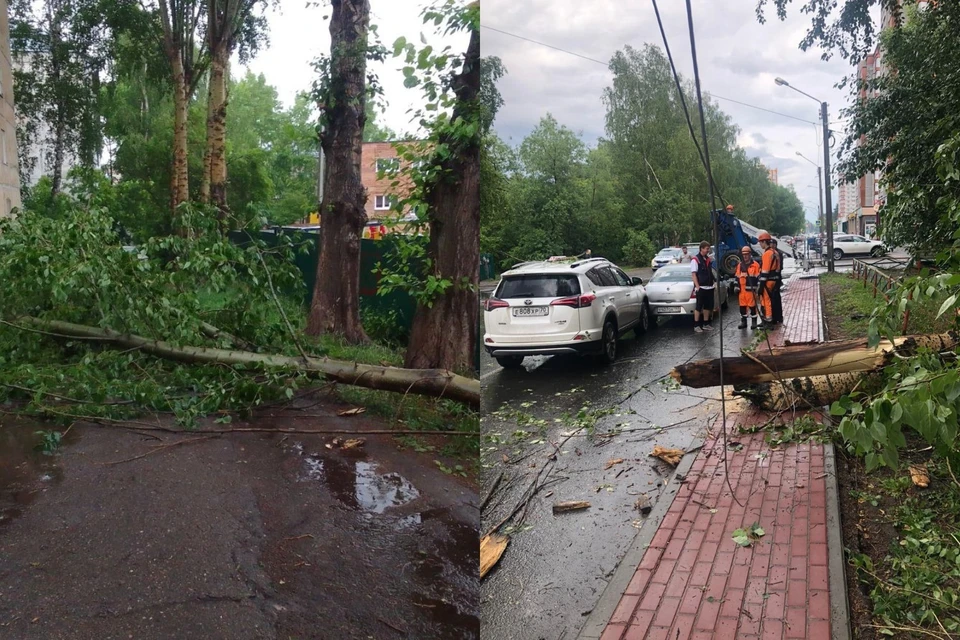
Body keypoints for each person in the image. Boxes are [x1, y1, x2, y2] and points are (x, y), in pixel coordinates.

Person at [691, 241, 716, 333]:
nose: (708, 250)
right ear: (701, 248)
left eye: (708, 248)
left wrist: (714, 282)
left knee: (707, 306)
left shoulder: (708, 259)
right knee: (699, 307)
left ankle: (706, 324)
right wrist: (698, 287)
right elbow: (693, 274)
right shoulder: (695, 260)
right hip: (701, 287)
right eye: (706, 248)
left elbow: (710, 272)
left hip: (709, 287)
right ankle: (696, 325)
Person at [757, 232, 781, 327]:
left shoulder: (767, 254)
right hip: (774, 279)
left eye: (760, 242)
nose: (760, 244)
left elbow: (765, 271)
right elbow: (778, 268)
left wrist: (761, 285)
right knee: (769, 299)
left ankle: (768, 320)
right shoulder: (775, 252)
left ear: (764, 242)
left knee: (766, 300)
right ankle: (768, 319)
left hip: (768, 280)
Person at [734, 246, 761, 329]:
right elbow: (737, 277)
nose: (745, 256)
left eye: (746, 254)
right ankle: (744, 322)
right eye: (743, 255)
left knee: (752, 306)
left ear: (750, 254)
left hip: (751, 290)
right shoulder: (740, 265)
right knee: (742, 307)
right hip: (741, 291)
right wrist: (736, 286)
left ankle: (754, 322)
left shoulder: (755, 265)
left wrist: (758, 288)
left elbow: (759, 277)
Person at [771, 238, 785, 324]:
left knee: (776, 297)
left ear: (775, 245)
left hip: (776, 278)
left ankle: (778, 317)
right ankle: (776, 317)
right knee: (773, 297)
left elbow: (780, 267)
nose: (771, 246)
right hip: (774, 278)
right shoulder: (771, 253)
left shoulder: (777, 254)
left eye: (773, 244)